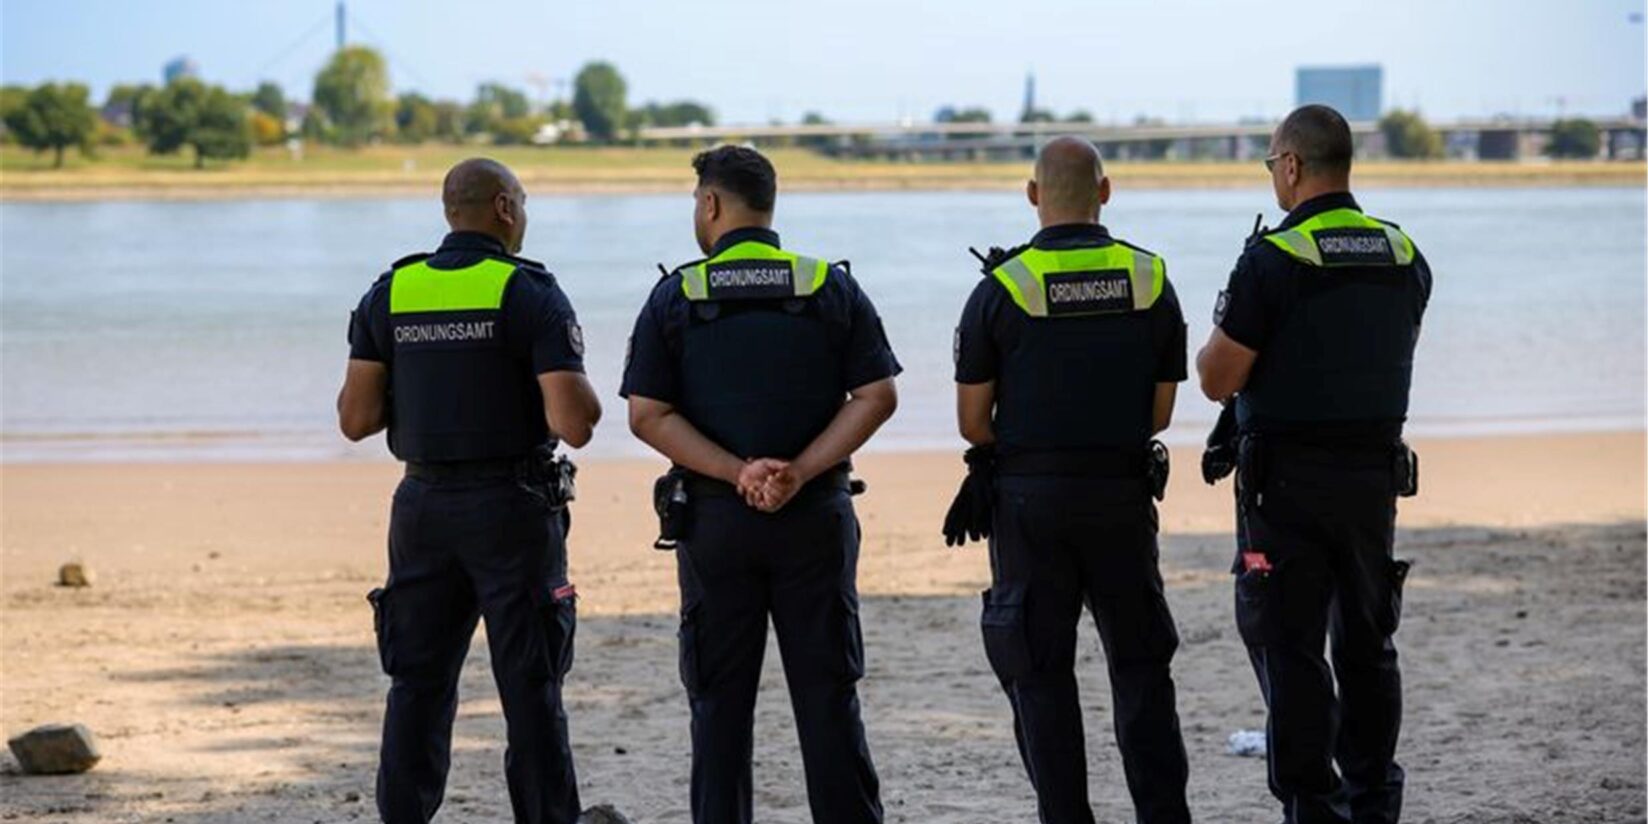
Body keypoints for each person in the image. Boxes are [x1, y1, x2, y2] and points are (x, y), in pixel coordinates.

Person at [620, 145, 899, 824]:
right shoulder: (829, 286)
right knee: (829, 699)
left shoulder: (677, 295)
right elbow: (877, 396)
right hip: (815, 516)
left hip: (716, 522)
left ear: (711, 204)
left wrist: (735, 472)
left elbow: (647, 415)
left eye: (696, 203)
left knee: (718, 705)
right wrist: (799, 471)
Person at [337, 158, 602, 824]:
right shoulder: (529, 292)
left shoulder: (391, 291)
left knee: (416, 686)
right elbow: (575, 423)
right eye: (524, 204)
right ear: (505, 207)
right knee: (531, 688)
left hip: (422, 508)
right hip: (512, 509)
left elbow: (356, 419)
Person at [1197, 104, 1432, 824]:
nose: (1274, 175)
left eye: (1273, 163)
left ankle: (1314, 807)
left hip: (1285, 489)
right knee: (1368, 645)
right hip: (1372, 484)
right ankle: (1373, 802)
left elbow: (1216, 377)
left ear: (1293, 166)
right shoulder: (1404, 254)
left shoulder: (1272, 260)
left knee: (1288, 647)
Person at [948, 136, 1192, 824]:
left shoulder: (1000, 289)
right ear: (1105, 191)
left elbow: (973, 423)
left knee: (1040, 673)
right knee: (1141, 668)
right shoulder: (1150, 278)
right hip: (1121, 496)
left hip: (1031, 503)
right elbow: (1160, 413)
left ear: (1032, 195)